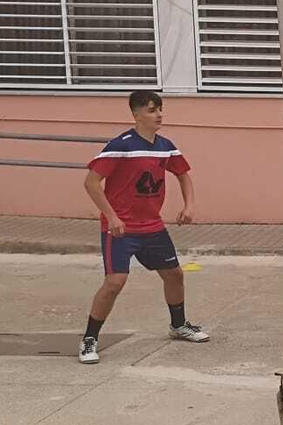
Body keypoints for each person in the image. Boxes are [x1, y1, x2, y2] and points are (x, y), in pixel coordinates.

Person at [78, 90, 209, 365]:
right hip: (120, 228)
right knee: (114, 282)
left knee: (174, 275)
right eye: (151, 110)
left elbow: (183, 174)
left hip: (152, 227)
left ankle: (178, 325)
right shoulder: (121, 146)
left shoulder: (165, 146)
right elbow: (91, 182)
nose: (159, 114)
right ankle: (89, 339)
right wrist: (112, 217)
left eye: (160, 109)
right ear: (136, 114)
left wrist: (189, 205)